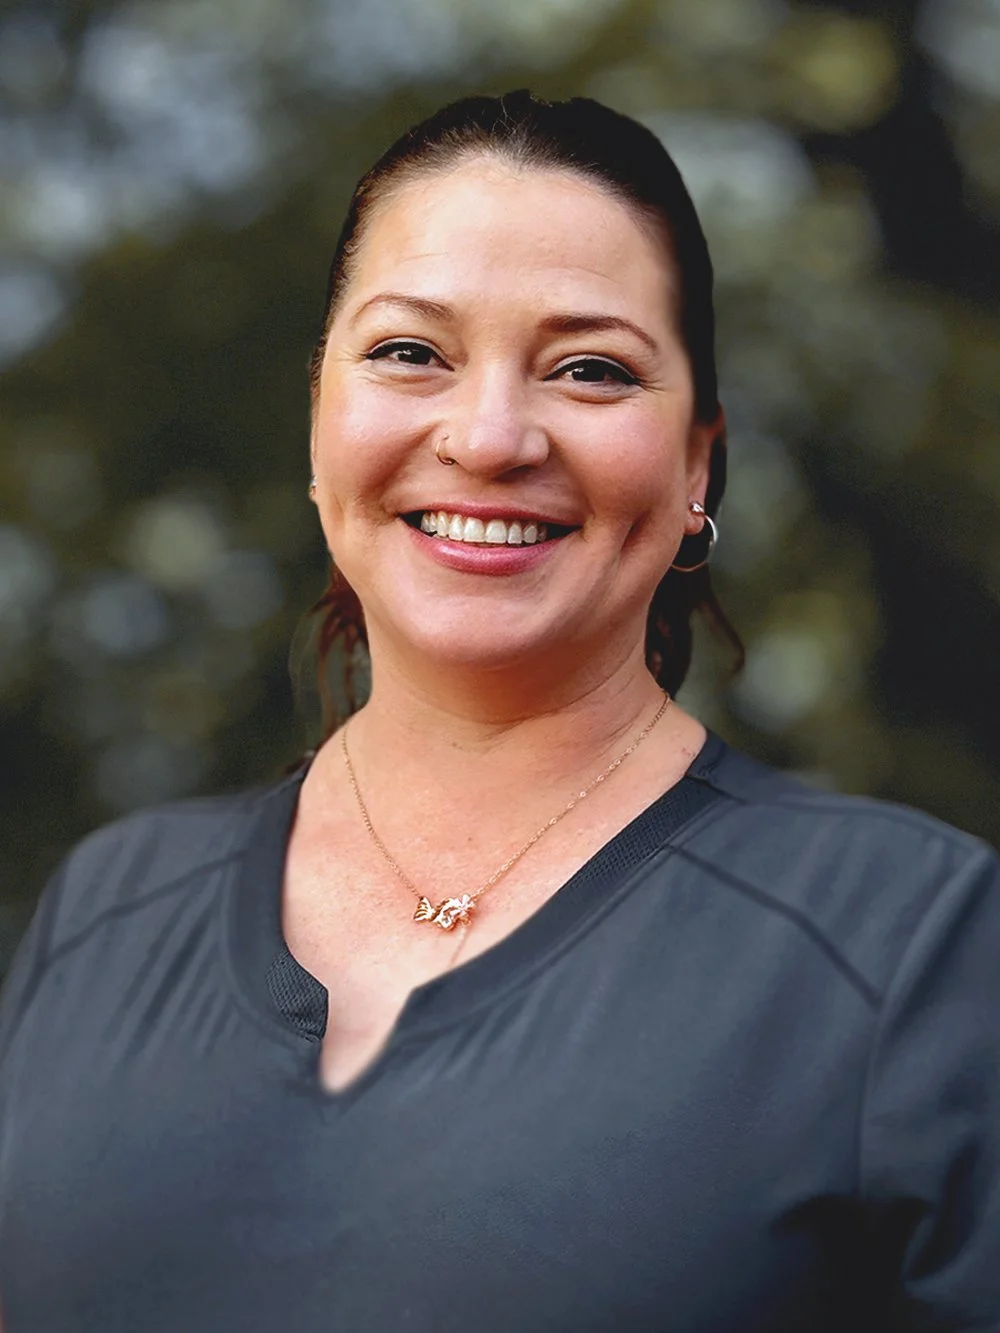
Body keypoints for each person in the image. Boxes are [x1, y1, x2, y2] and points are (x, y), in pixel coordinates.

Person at [0, 90, 998, 1333]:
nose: (487, 436)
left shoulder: (916, 942)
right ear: (320, 416)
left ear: (696, 462)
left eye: (590, 368)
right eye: (410, 352)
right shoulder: (104, 912)